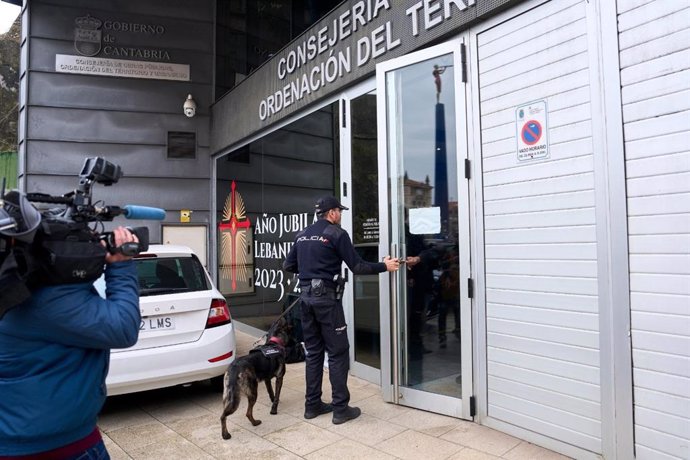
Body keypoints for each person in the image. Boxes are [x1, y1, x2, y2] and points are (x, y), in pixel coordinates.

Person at [0, 226, 140, 459]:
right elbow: (124, 327)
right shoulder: (48, 301)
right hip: (60, 448)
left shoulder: (10, 288)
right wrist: (121, 265)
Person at [283, 196, 400, 424]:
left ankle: (312, 405)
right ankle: (340, 409)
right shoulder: (337, 234)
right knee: (338, 353)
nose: (341, 215)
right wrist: (384, 266)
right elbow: (357, 266)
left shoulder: (302, 234)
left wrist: (310, 270)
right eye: (340, 211)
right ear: (332, 213)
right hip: (327, 301)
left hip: (305, 299)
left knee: (314, 352)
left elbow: (288, 265)